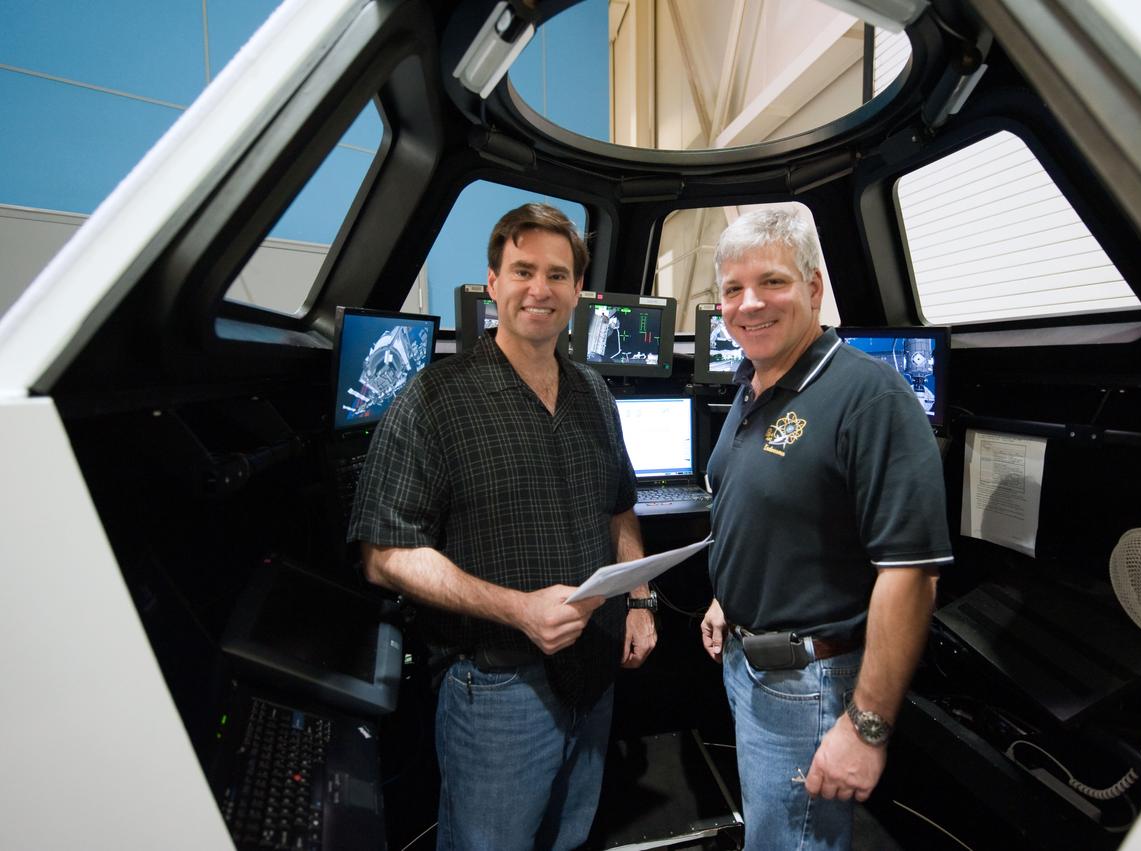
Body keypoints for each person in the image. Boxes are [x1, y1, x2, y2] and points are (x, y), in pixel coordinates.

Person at [349, 203, 658, 851]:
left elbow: (619, 504)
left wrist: (638, 599)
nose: (539, 289)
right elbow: (385, 552)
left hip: (595, 675)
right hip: (497, 690)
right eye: (522, 270)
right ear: (493, 282)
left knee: (570, 837)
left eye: (556, 273)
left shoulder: (594, 393)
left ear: (578, 289)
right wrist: (517, 608)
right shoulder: (434, 397)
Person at [699, 208, 952, 849]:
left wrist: (866, 729)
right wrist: (728, 597)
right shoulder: (755, 383)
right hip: (748, 662)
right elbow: (773, 512)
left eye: (772, 283)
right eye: (733, 289)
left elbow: (911, 575)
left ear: (814, 289)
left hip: (809, 683)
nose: (748, 304)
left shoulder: (872, 398)